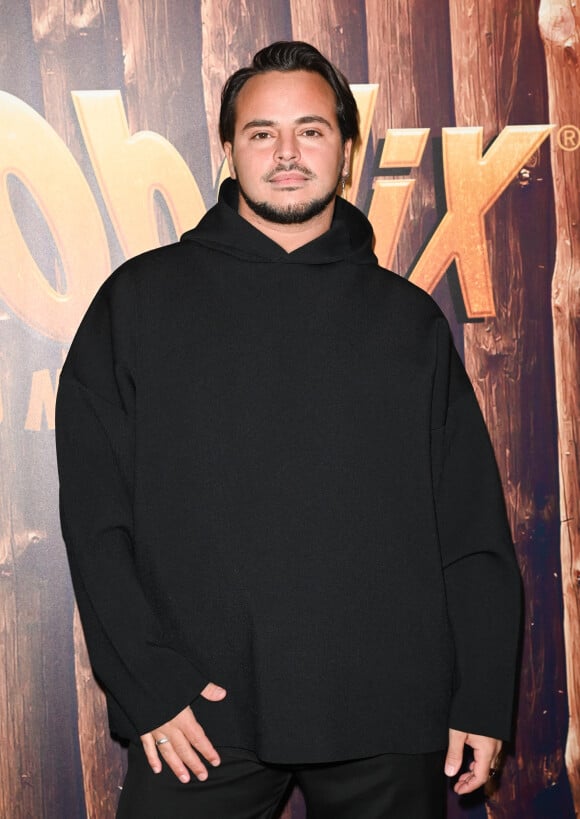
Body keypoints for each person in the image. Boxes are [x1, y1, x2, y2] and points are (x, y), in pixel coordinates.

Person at [56, 41, 522, 819]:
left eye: (309, 131)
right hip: (198, 718)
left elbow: (471, 527)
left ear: (345, 150)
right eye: (261, 133)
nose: (286, 154)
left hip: (392, 715)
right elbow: (97, 519)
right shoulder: (137, 305)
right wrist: (147, 681)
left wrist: (480, 693)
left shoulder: (406, 323)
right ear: (229, 149)